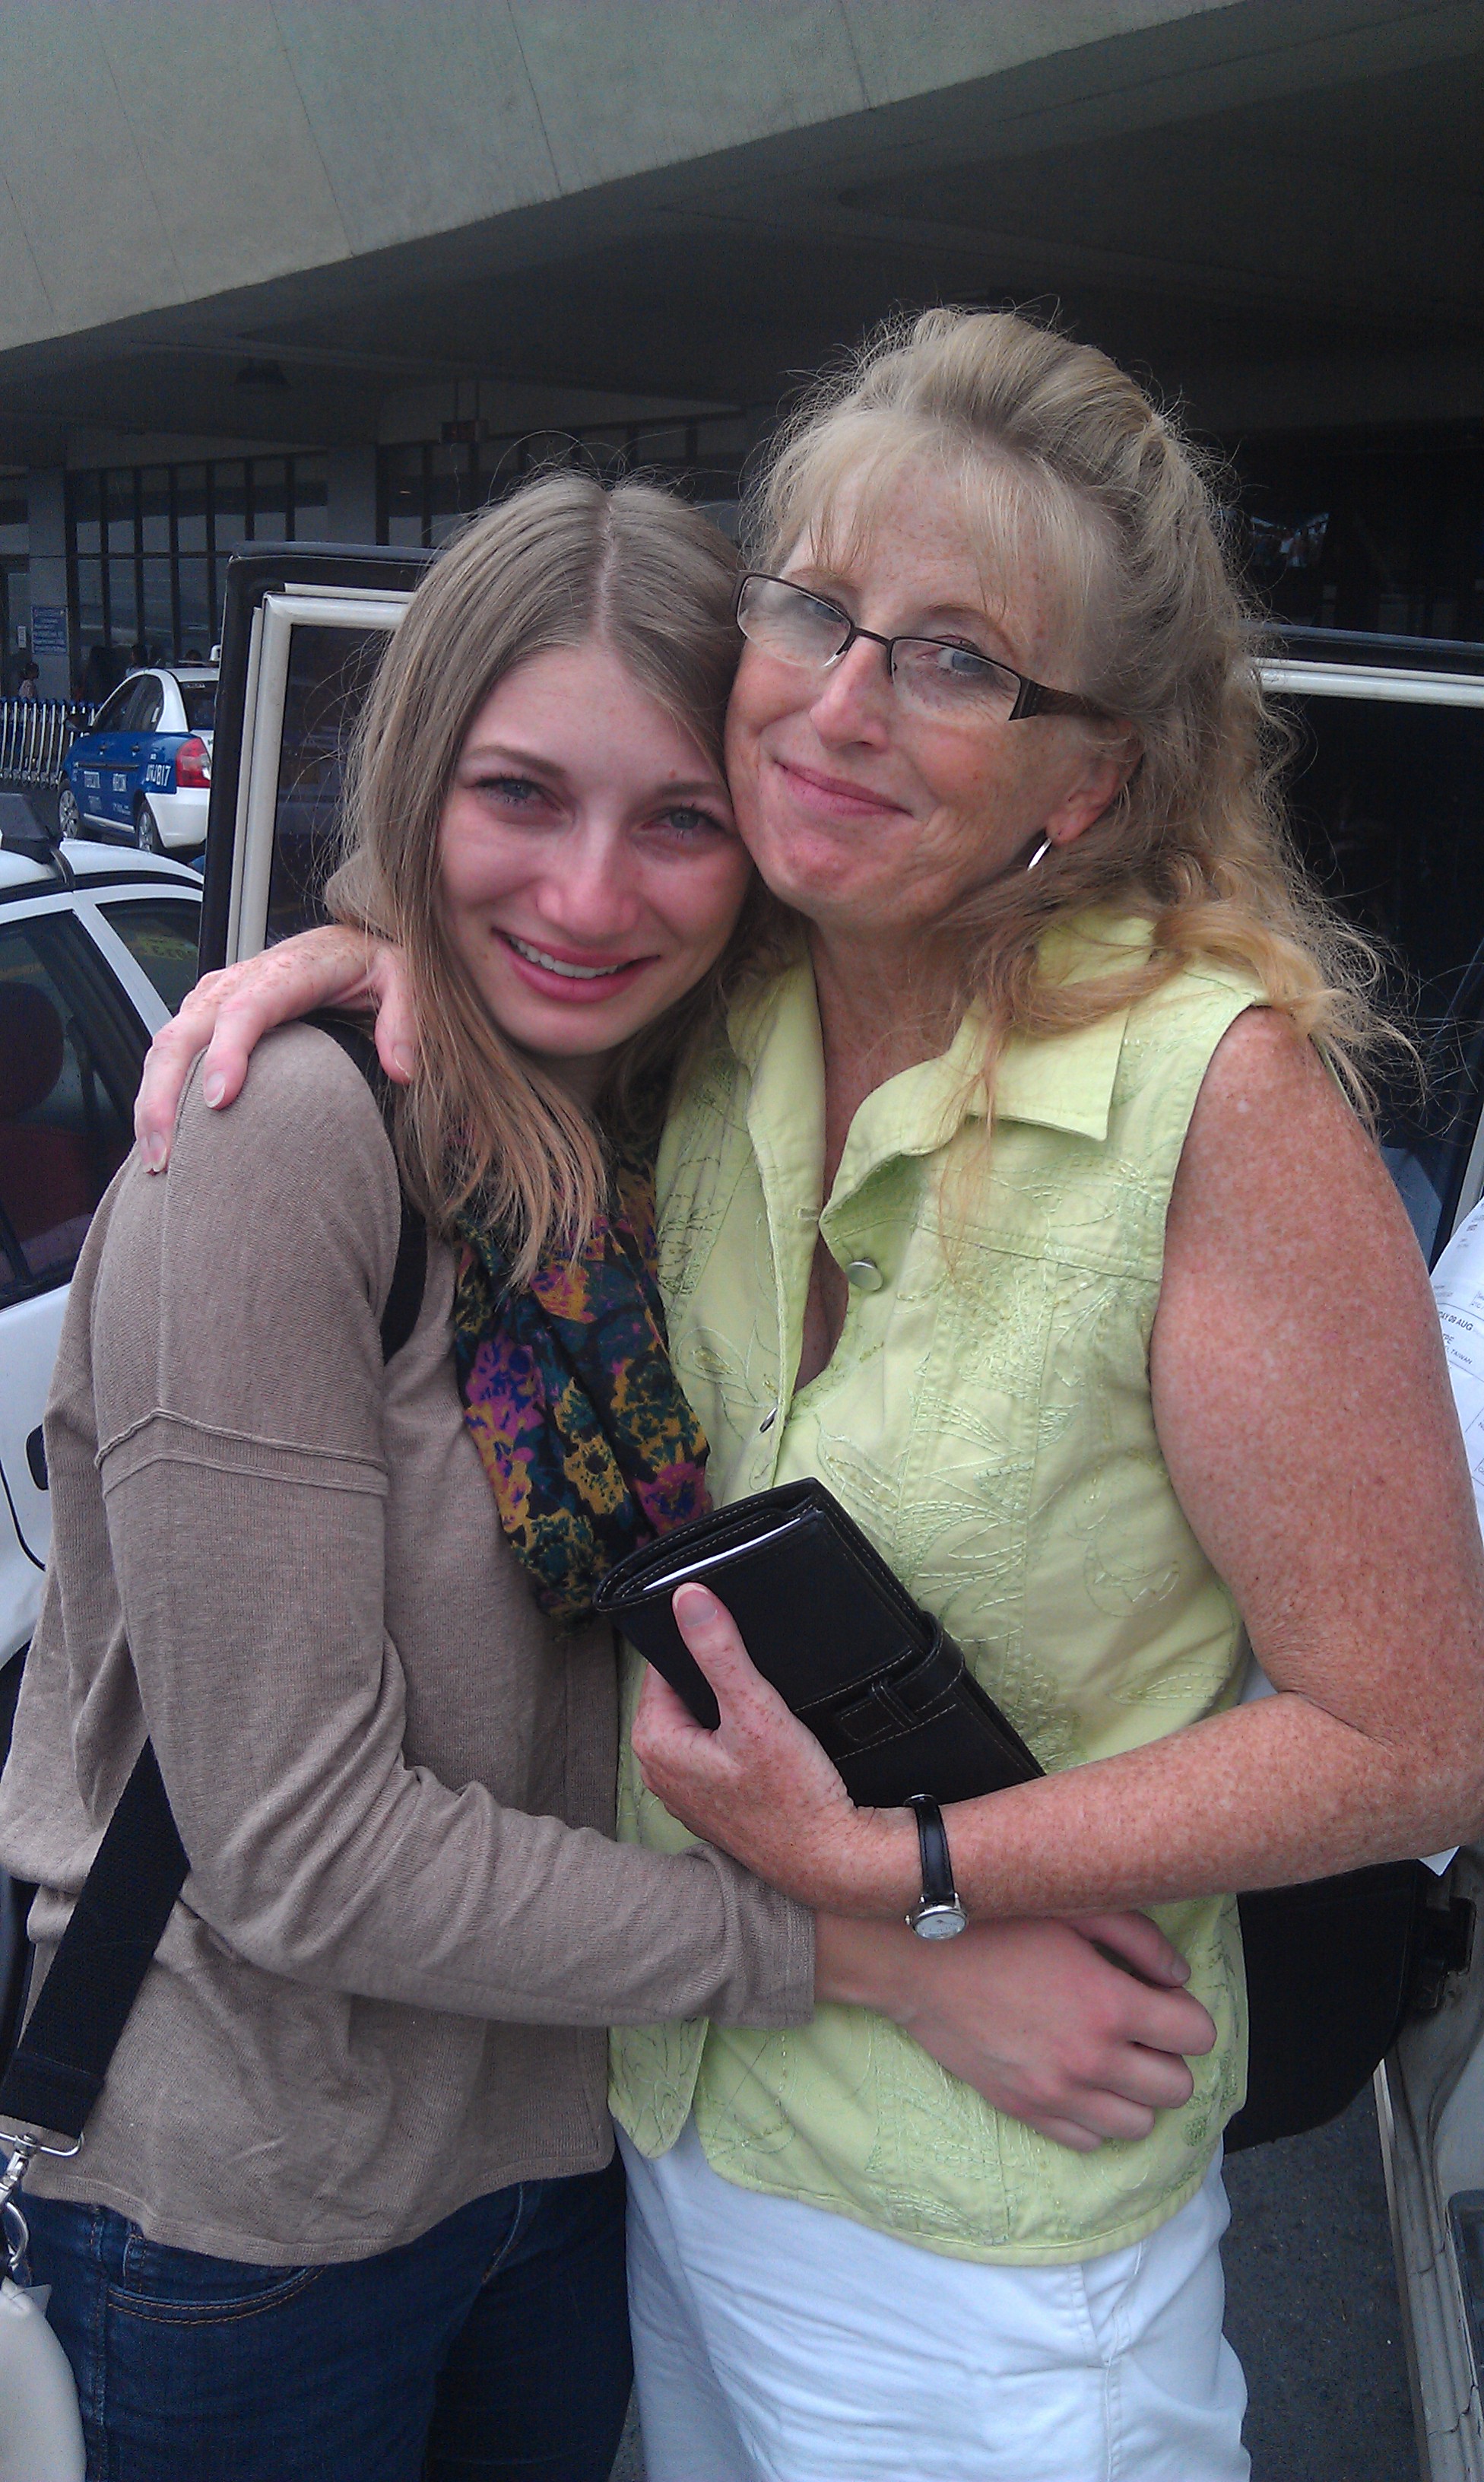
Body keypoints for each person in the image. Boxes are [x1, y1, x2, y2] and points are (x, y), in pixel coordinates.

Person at [134, 309, 1484, 2482]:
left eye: (961, 662)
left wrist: (906, 1867)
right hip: (663, 2147)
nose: (846, 705)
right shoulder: (737, 998)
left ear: (1090, 780)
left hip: (988, 2227)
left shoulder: (1213, 1107)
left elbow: (1414, 1733)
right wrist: (367, 952)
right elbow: (553, 885)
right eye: (818, 613)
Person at [0, 469, 1211, 2482]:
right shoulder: (281, 1149)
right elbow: (299, 1849)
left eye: (678, 820)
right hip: (248, 2227)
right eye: (517, 796)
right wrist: (875, 1959)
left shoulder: (682, 1133)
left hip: (563, 2176)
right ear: (415, 786)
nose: (587, 898)